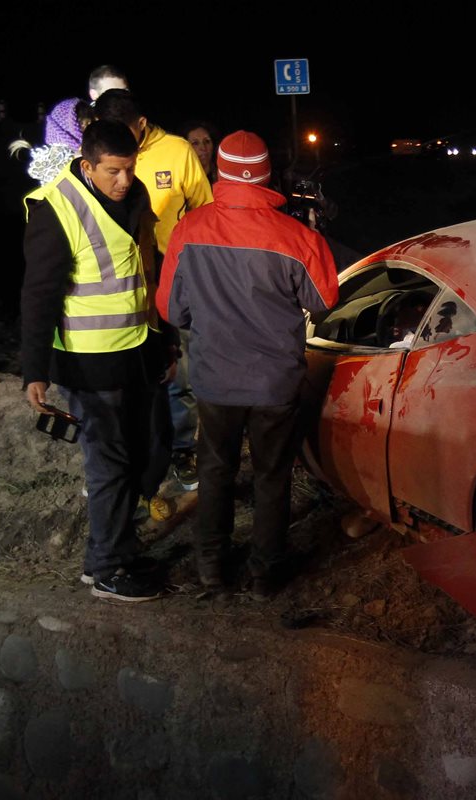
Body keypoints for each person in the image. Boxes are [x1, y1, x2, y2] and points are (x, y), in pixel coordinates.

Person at [157, 131, 338, 597]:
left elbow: (171, 310)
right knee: (271, 476)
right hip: (275, 382)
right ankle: (265, 574)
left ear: (218, 172)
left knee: (215, 470)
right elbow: (323, 301)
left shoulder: (188, 229)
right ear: (266, 175)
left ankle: (211, 567)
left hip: (215, 379)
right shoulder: (296, 237)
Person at [20, 120, 176, 602]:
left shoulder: (135, 196)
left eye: (130, 168)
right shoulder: (56, 208)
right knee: (109, 466)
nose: (124, 180)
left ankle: (116, 553)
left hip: (138, 351)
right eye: (113, 171)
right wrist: (34, 370)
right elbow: (39, 295)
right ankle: (107, 569)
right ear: (87, 165)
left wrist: (165, 343)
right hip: (89, 363)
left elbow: (147, 271)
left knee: (143, 455)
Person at [95, 89, 214, 490]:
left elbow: (204, 212)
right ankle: (128, 457)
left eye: (124, 131)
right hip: (120, 284)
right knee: (129, 374)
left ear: (141, 124)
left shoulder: (178, 152)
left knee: (179, 372)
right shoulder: (98, 155)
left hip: (174, 280)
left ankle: (182, 449)